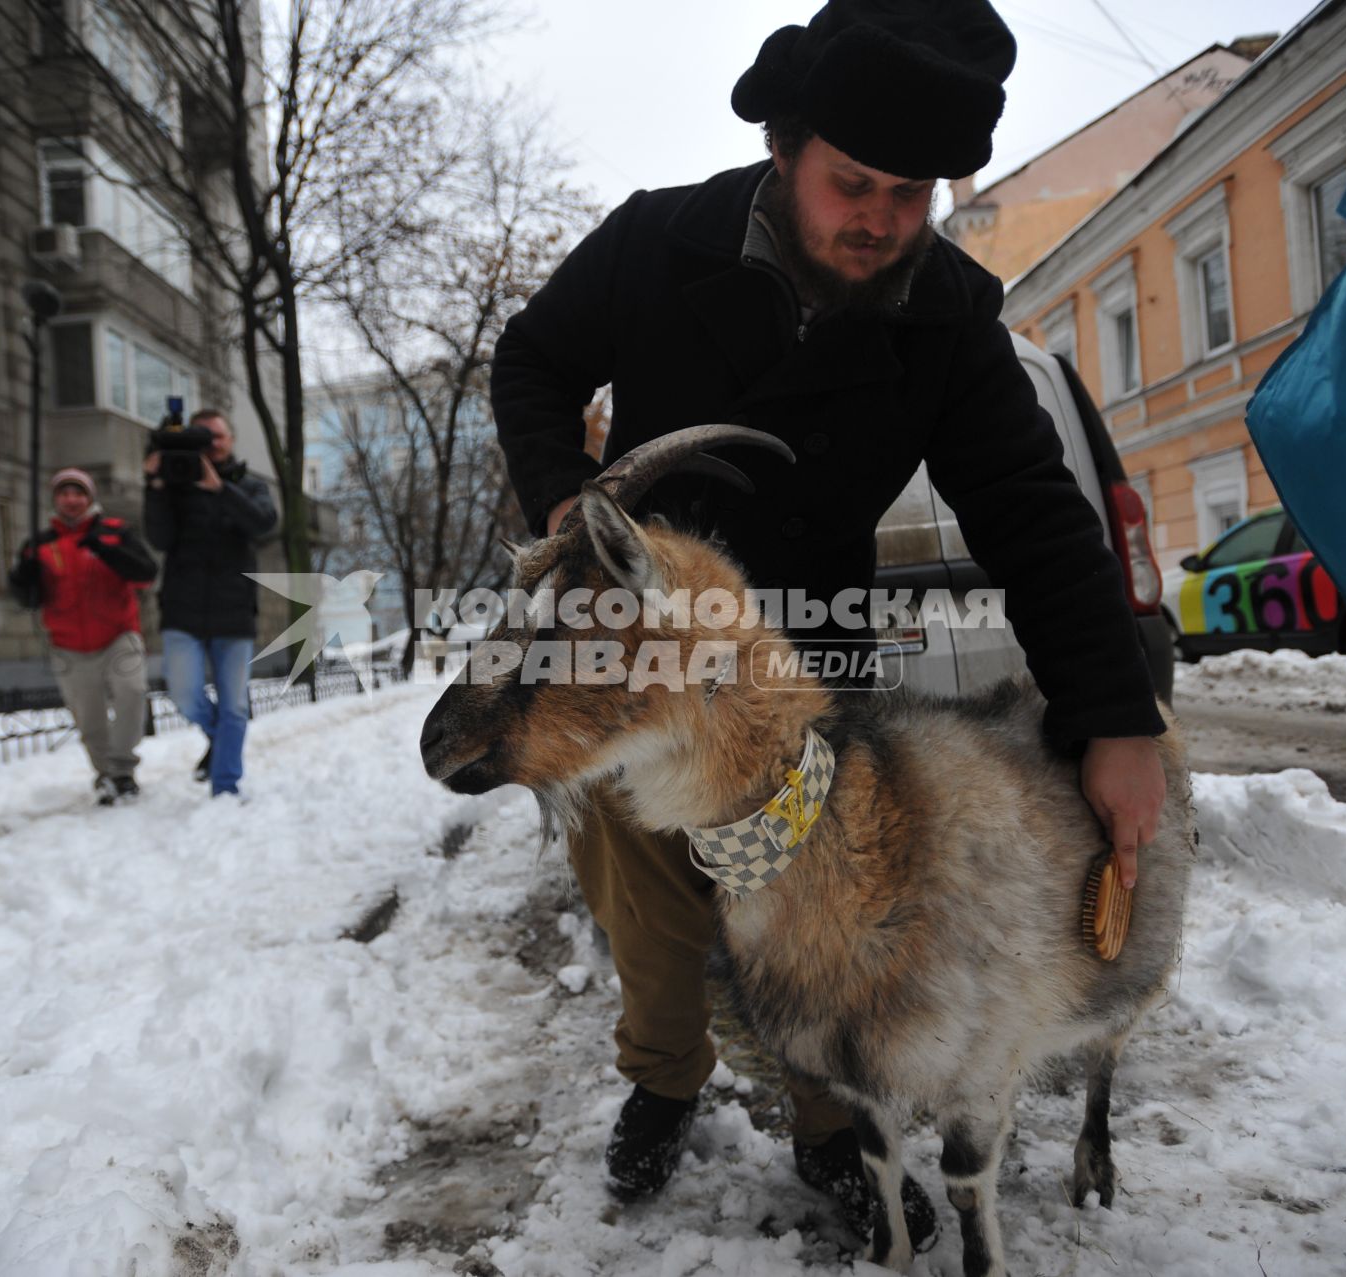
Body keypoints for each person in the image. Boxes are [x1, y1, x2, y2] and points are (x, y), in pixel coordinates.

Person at [490, 0, 1170, 1244]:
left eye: (912, 194)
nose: (882, 220)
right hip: (634, 661)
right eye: (854, 182)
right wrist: (566, 504)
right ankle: (664, 1069)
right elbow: (531, 358)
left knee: (823, 915)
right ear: (788, 150)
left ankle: (829, 1119)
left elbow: (1035, 515)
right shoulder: (657, 240)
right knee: (649, 899)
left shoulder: (946, 313)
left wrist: (1118, 718)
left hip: (806, 666)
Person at [142, 410, 279, 799]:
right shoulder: (173, 487)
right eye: (205, 437)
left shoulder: (249, 485)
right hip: (182, 611)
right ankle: (223, 742)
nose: (213, 443)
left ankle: (225, 787)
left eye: (219, 435)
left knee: (235, 706)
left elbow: (264, 525)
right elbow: (160, 538)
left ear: (231, 439)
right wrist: (153, 484)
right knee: (184, 694)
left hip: (235, 613)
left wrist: (220, 489)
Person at [10, 468, 158, 806]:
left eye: (79, 493)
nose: (71, 500)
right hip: (68, 644)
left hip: (119, 634)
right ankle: (106, 775)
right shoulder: (40, 545)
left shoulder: (115, 532)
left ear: (90, 499)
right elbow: (26, 599)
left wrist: (105, 549)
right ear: (55, 499)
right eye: (64, 493)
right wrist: (24, 577)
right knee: (88, 717)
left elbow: (146, 573)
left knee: (132, 693)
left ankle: (122, 769)